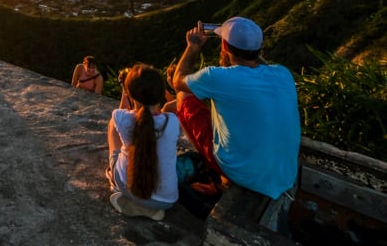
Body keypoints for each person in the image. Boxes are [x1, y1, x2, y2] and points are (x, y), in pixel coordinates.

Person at [171, 17, 300, 201]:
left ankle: (216, 168)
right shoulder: (283, 73)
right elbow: (255, 63)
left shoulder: (216, 77)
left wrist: (192, 47)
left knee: (184, 97)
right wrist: (245, 48)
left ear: (224, 46)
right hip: (285, 175)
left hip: (243, 174)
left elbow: (178, 80)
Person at [107, 63, 180, 220]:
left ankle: (123, 191)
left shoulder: (122, 119)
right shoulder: (172, 122)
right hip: (167, 200)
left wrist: (125, 92)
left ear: (130, 94)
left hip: (131, 190)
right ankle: (149, 210)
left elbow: (121, 112)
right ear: (160, 93)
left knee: (113, 125)